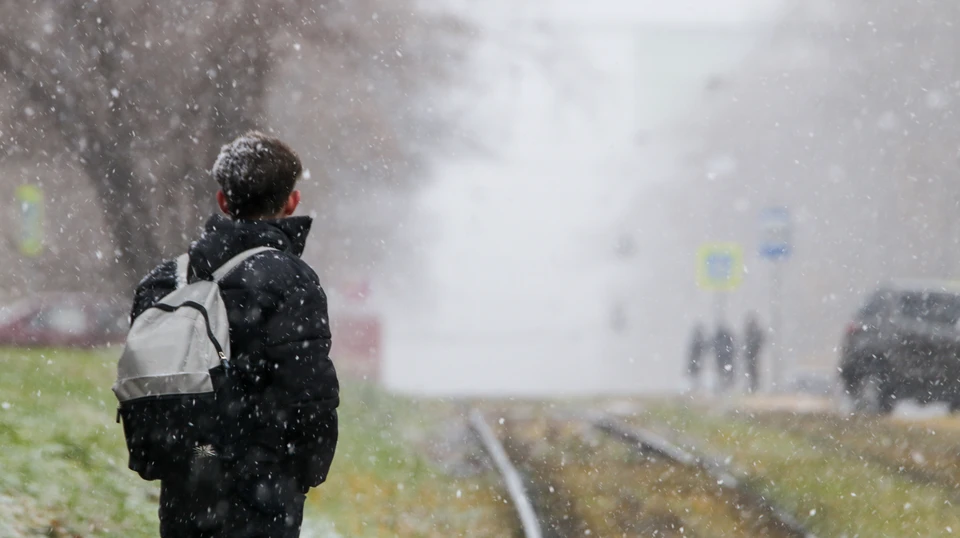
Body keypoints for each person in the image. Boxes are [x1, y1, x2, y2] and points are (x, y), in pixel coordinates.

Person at [131, 132, 339, 538]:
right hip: (264, 486)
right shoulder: (292, 281)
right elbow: (308, 391)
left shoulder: (165, 281)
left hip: (188, 475)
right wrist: (306, 469)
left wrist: (179, 456)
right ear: (291, 202)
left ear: (222, 200)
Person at [743, 313, 765, 393]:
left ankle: (754, 387)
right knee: (752, 372)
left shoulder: (754, 332)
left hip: (754, 355)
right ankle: (753, 387)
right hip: (751, 355)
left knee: (754, 373)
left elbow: (758, 341)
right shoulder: (751, 332)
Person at [714, 324, 736, 392]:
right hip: (723, 359)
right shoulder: (722, 338)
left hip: (725, 359)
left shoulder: (723, 338)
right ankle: (724, 386)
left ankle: (726, 386)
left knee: (725, 374)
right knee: (722, 374)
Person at [687, 323, 708, 389]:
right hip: (696, 361)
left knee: (696, 377)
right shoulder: (698, 341)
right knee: (696, 377)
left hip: (696, 361)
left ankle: (696, 387)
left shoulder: (697, 341)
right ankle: (696, 387)